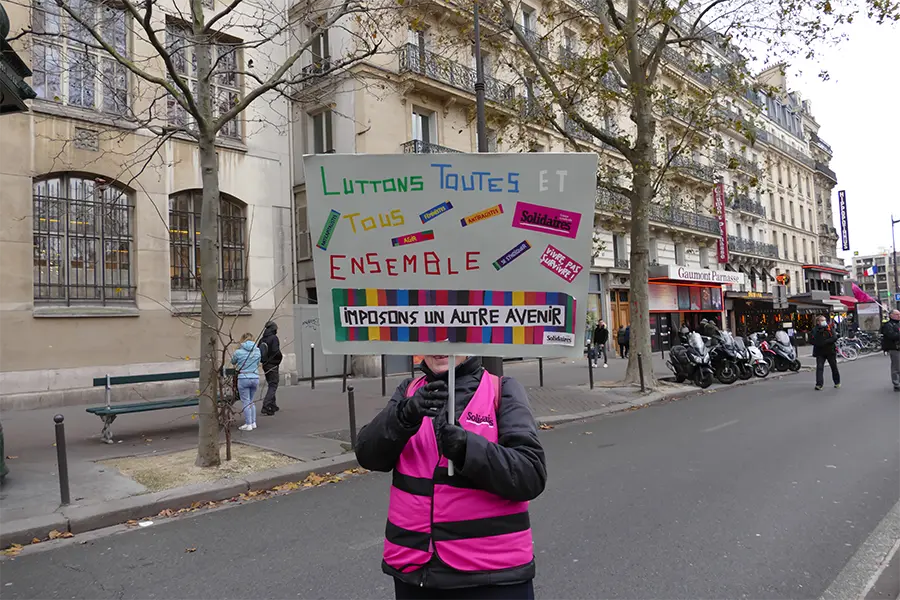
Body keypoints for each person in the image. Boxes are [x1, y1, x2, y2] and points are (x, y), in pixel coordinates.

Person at [355, 355, 547, 600]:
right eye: (431, 333)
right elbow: (368, 455)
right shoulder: (408, 391)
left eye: (450, 332)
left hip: (492, 578)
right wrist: (404, 415)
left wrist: (469, 449)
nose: (439, 346)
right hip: (416, 575)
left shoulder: (502, 389)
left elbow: (530, 474)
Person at [231, 333, 261, 431]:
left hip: (243, 378)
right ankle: (253, 422)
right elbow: (258, 363)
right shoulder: (257, 351)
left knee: (246, 401)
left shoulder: (238, 352)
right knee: (251, 401)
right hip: (255, 377)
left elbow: (233, 362)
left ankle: (248, 424)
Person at [259, 321, 283, 416]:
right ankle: (267, 405)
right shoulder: (274, 338)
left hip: (265, 364)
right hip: (272, 364)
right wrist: (278, 360)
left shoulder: (262, 339)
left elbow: (258, 351)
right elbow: (276, 352)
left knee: (271, 384)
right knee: (273, 384)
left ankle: (273, 404)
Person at [811, 314, 840, 390]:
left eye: (824, 320)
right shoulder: (815, 330)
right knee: (819, 368)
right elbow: (812, 340)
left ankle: (837, 382)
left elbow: (834, 337)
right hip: (820, 352)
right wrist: (819, 343)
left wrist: (826, 342)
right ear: (818, 322)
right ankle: (819, 384)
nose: (824, 322)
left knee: (833, 367)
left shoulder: (829, 328)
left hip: (830, 351)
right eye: (822, 320)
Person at [881, 309, 900, 391]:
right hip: (895, 348)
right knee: (896, 366)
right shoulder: (888, 325)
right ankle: (896, 383)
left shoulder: (898, 324)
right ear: (891, 315)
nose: (899, 316)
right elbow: (892, 335)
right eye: (897, 314)